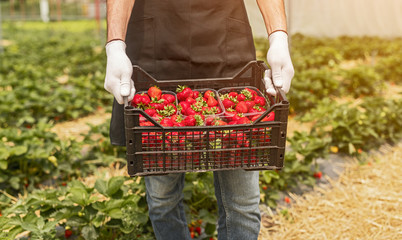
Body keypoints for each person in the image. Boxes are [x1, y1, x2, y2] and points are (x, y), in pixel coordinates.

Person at [104, 0, 294, 239]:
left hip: (226, 46)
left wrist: (278, 36)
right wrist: (115, 44)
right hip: (156, 48)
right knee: (162, 200)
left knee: (242, 203)